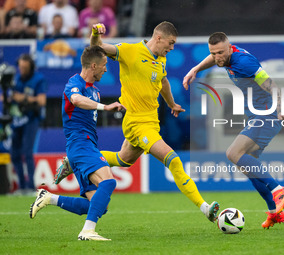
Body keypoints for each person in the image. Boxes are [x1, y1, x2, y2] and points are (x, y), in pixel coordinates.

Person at [54, 21, 220, 223]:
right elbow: (96, 48)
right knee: (174, 160)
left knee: (124, 159)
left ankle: (74, 161)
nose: (172, 48)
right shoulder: (130, 51)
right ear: (158, 38)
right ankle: (205, 208)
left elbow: (163, 81)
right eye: (171, 43)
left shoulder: (161, 59)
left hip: (151, 122)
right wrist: (96, 33)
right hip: (136, 123)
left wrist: (172, 103)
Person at [182, 32, 284, 229]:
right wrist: (195, 69)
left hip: (267, 115)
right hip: (258, 116)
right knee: (250, 167)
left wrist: (281, 109)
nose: (218, 58)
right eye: (214, 53)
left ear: (230, 47)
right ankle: (275, 212)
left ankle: (278, 189)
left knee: (233, 153)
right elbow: (213, 58)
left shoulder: (244, 62)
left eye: (221, 53)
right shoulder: (224, 57)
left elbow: (273, 85)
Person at [30, 45, 125, 241]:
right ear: (93, 66)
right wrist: (105, 107)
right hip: (80, 144)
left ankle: (48, 197)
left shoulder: (96, 91)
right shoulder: (74, 84)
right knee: (109, 182)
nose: (106, 69)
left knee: (99, 206)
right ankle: (87, 231)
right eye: (104, 65)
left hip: (86, 147)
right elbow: (76, 100)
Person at [10, 54, 47, 195]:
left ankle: (31, 186)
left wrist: (24, 98)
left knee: (27, 152)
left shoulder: (38, 79)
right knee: (14, 154)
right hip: (17, 119)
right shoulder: (16, 78)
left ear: (30, 67)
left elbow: (42, 101)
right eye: (20, 67)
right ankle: (22, 186)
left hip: (31, 119)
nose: (22, 70)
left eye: (24, 67)